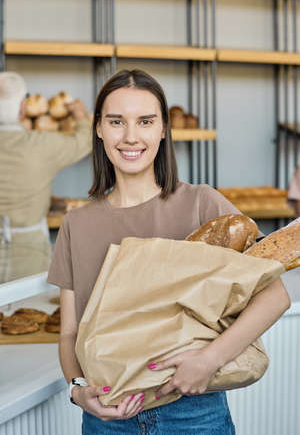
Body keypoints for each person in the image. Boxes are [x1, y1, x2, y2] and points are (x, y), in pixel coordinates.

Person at [47, 69, 290, 435]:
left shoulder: (202, 204)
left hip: (194, 413)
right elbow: (69, 332)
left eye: (146, 121)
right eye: (116, 121)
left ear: (163, 129)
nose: (131, 136)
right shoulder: (77, 225)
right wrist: (78, 390)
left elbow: (275, 296)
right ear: (98, 128)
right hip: (107, 420)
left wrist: (210, 360)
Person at [0, 72, 92, 282]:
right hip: (30, 249)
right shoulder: (42, 144)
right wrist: (79, 114)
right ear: (23, 109)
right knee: (28, 313)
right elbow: (84, 140)